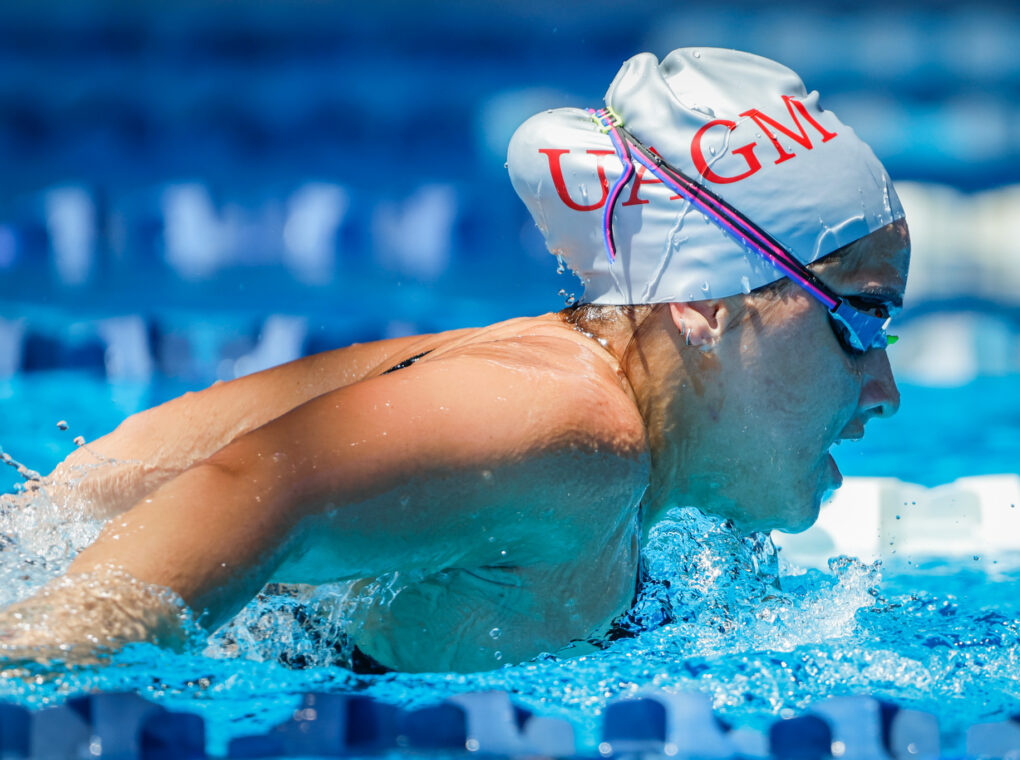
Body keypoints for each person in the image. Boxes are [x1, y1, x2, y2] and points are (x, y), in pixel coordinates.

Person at [0, 48, 909, 674]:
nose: (887, 389)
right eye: (863, 320)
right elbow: (256, 486)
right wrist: (55, 663)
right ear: (705, 306)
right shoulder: (573, 429)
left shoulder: (665, 488)